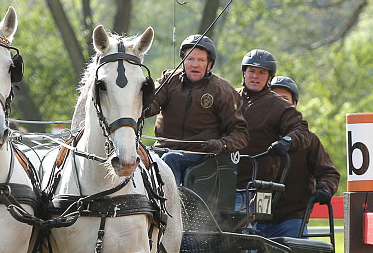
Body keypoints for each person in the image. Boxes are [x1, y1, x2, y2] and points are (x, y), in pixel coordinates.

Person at [143, 34, 249, 183]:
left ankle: (168, 205)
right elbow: (150, 105)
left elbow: (241, 133)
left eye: (201, 60)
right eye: (190, 59)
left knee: (170, 159)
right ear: (182, 61)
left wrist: (221, 144)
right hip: (161, 150)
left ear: (209, 65)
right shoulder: (169, 79)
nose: (195, 64)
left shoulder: (222, 90)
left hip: (200, 157)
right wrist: (141, 103)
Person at [257, 76, 340, 238]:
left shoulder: (309, 140)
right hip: (256, 214)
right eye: (274, 99)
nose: (279, 104)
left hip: (292, 216)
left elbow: (329, 172)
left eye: (284, 100)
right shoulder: (257, 135)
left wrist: (324, 188)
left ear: (294, 105)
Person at [236, 50, 311, 203]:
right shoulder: (228, 97)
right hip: (220, 184)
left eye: (261, 72)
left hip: (257, 187)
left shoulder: (279, 105)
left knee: (248, 227)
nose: (255, 76)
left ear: (270, 78)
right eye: (252, 71)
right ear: (244, 73)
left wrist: (287, 141)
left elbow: (302, 131)